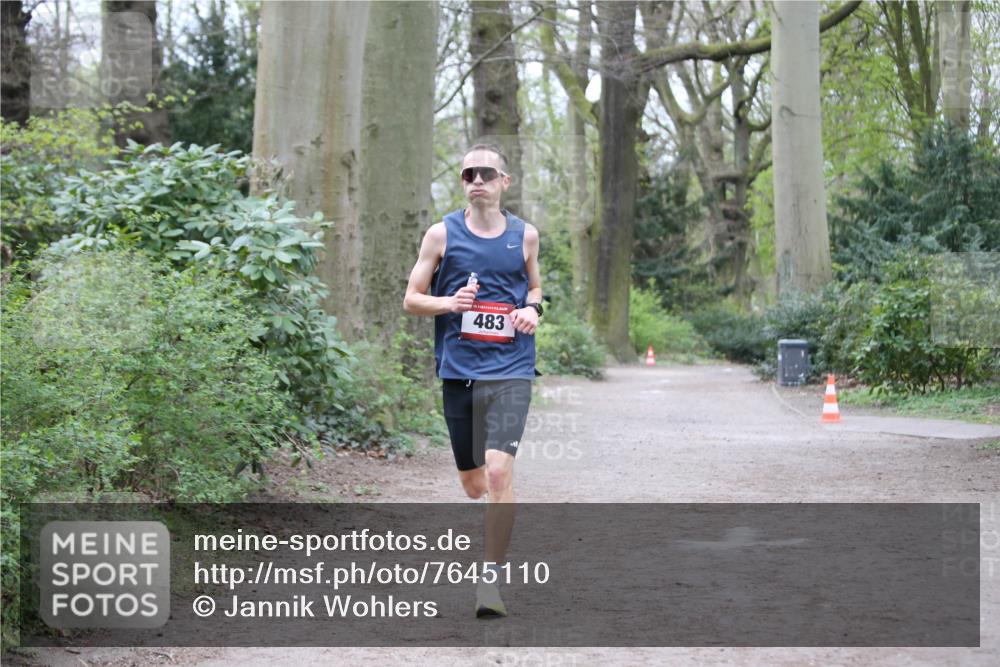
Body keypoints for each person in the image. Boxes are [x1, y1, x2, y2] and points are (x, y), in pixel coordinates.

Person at [402, 143, 543, 618]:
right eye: (468, 175)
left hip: (512, 369)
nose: (476, 180)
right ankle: (492, 497)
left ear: (505, 181)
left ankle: (489, 583)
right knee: (473, 484)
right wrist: (449, 305)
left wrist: (532, 309)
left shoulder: (526, 236)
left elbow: (536, 287)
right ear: (463, 183)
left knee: (500, 471)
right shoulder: (441, 234)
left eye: (486, 173)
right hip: (460, 372)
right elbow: (411, 299)